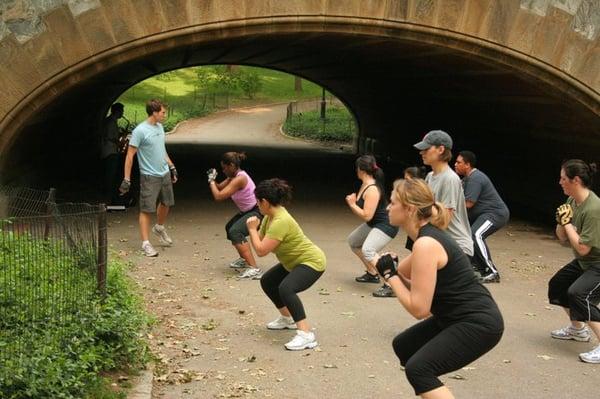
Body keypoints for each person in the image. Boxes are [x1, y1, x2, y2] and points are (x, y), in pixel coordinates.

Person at [378, 178, 503, 398]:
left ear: (409, 209)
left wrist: (390, 275)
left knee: (419, 370)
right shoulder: (423, 240)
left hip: (477, 322)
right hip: (454, 317)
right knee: (405, 346)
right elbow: (406, 276)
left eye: (392, 202)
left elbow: (419, 309)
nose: (388, 207)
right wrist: (393, 271)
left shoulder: (426, 244)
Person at [246, 178, 326, 351]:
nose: (257, 205)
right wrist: (255, 232)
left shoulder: (281, 221)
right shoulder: (270, 216)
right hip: (293, 262)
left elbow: (260, 250)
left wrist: (251, 229)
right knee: (268, 281)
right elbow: (260, 240)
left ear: (265, 202)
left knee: (286, 288)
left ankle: (306, 335)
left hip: (311, 262)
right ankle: (288, 319)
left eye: (257, 202)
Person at [548, 159, 600, 364]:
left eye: (563, 178)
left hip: (596, 262)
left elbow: (582, 248)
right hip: (586, 261)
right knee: (558, 286)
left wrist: (567, 223)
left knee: (580, 294)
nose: (560, 182)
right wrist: (562, 222)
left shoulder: (594, 209)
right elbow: (562, 237)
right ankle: (578, 330)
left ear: (575, 180)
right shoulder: (571, 201)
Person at [119, 99, 177, 257]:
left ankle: (159, 227)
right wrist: (127, 179)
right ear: (154, 112)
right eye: (163, 112)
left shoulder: (159, 127)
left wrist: (171, 166)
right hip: (149, 175)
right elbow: (130, 155)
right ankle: (145, 243)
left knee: (166, 203)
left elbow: (161, 149)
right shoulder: (140, 131)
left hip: (164, 172)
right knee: (146, 209)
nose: (165, 115)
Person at [345, 155, 399, 298]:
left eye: (357, 168)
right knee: (353, 241)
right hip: (374, 223)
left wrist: (351, 204)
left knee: (368, 250)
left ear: (361, 169)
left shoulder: (372, 189)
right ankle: (372, 273)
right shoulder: (365, 183)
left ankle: (391, 284)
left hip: (386, 224)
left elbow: (367, 215)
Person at [414, 130, 474, 257]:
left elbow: (444, 220)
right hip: (439, 242)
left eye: (426, 148)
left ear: (441, 149)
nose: (421, 152)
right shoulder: (430, 176)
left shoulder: (450, 179)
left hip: (456, 247)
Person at [454, 151, 509, 283]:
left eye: (458, 162)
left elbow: (468, 203)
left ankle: (492, 272)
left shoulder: (475, 178)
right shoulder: (466, 179)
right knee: (466, 235)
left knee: (475, 235)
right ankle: (479, 267)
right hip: (484, 214)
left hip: (495, 214)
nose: (455, 165)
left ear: (467, 165)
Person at [207, 152, 262, 279]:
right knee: (229, 228)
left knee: (236, 231)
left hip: (257, 211)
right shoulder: (233, 177)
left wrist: (211, 181)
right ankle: (244, 259)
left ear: (231, 165)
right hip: (247, 211)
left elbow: (219, 196)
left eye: (224, 168)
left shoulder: (240, 178)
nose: (223, 170)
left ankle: (254, 268)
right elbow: (220, 188)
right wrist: (213, 179)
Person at [100, 103, 124, 204]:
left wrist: (120, 134)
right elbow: (110, 137)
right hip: (110, 151)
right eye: (122, 111)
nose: (123, 113)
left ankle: (110, 195)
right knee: (111, 175)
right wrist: (120, 143)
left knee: (110, 174)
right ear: (117, 111)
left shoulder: (109, 121)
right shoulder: (111, 123)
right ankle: (110, 197)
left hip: (108, 150)